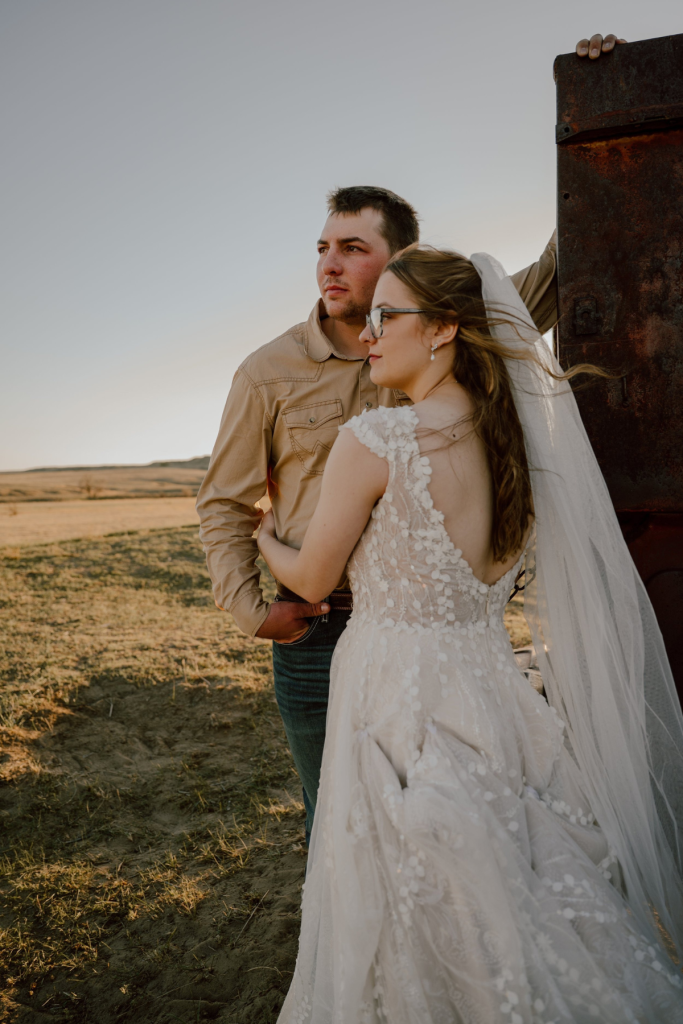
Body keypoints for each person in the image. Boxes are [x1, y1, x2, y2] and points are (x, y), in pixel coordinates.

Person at [196, 36, 627, 844]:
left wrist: (604, 108)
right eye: (322, 246)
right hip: (322, 638)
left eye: (352, 248)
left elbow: (557, 268)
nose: (329, 262)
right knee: (345, 838)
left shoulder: (447, 331)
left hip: (444, 636)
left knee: (459, 836)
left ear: (401, 268)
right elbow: (222, 502)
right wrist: (249, 610)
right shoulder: (267, 372)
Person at [257, 244, 683, 1022]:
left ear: (445, 327)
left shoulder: (374, 439)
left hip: (394, 698)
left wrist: (261, 535)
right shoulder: (513, 445)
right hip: (493, 694)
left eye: (390, 317)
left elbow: (312, 580)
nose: (369, 333)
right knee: (513, 885)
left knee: (410, 900)